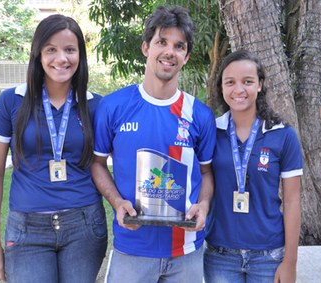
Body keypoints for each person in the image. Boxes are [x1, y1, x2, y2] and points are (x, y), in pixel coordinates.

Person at [91, 5, 216, 283]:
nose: (170, 51)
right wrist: (117, 201)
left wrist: (204, 205)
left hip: (186, 249)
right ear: (146, 47)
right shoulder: (113, 106)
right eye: (162, 42)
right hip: (132, 248)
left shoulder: (200, 114)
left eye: (179, 46)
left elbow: (207, 172)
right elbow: (97, 164)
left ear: (186, 55)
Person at [0, 14, 107, 283]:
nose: (61, 58)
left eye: (70, 50)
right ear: (38, 54)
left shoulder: (96, 105)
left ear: (80, 55)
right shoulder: (11, 101)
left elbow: (108, 165)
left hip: (84, 225)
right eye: (51, 49)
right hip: (27, 229)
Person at [203, 50, 303, 283]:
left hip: (269, 256)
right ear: (221, 87)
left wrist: (290, 261)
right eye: (230, 82)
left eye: (247, 81)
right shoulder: (211, 131)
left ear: (260, 85)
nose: (239, 90)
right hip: (221, 255)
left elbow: (292, 201)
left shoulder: (283, 135)